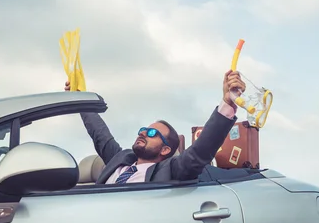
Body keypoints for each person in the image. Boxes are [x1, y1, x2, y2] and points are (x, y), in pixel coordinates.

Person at [64, 70, 245, 184]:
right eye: (142, 130)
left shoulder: (170, 170)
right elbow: (99, 133)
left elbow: (200, 151)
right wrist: (78, 98)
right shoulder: (119, 159)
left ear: (166, 149)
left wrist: (227, 103)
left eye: (152, 133)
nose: (143, 133)